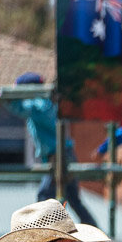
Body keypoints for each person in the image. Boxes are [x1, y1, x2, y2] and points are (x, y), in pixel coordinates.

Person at [5, 73, 99, 229]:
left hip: (59, 156)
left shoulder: (39, 105)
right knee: (72, 198)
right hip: (61, 154)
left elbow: (20, 109)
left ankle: (41, 232)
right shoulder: (47, 103)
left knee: (45, 195)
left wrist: (9, 98)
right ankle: (94, 230)